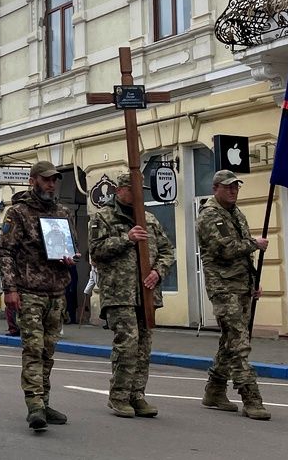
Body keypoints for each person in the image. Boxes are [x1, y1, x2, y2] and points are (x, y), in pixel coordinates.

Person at [90, 171, 176, 418]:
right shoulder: (103, 218)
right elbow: (96, 251)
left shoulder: (149, 218)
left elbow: (167, 251)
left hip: (147, 293)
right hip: (120, 293)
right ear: (120, 191)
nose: (139, 196)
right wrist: (126, 239)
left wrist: (158, 272)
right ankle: (118, 396)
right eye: (133, 191)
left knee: (143, 346)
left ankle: (137, 395)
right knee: (127, 344)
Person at [0, 160, 74, 431]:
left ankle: (45, 400)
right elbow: (5, 251)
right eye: (45, 180)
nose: (51, 184)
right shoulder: (18, 212)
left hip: (56, 290)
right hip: (29, 291)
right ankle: (34, 406)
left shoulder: (62, 211)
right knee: (33, 348)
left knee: (49, 351)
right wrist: (10, 289)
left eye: (54, 180)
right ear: (33, 181)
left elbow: (70, 246)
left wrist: (70, 258)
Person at [195, 169, 270, 421]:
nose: (233, 191)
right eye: (228, 187)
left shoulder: (236, 213)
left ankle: (214, 391)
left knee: (230, 340)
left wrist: (252, 281)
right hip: (222, 287)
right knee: (239, 342)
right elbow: (225, 249)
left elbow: (243, 254)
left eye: (236, 187)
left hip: (241, 285)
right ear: (216, 188)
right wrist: (254, 244)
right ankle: (252, 398)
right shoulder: (209, 215)